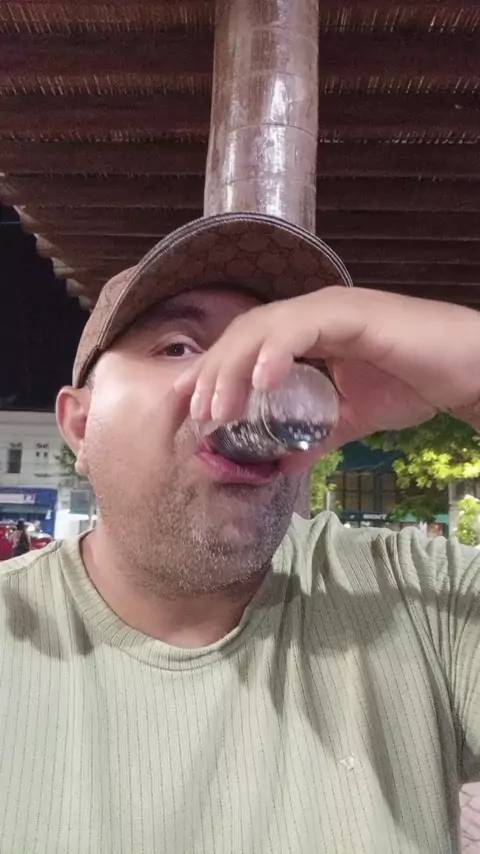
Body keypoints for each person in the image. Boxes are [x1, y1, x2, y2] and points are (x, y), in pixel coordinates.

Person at [0, 213, 479, 854]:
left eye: (286, 362)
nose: (246, 381)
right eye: (178, 346)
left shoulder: (422, 599)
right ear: (81, 425)